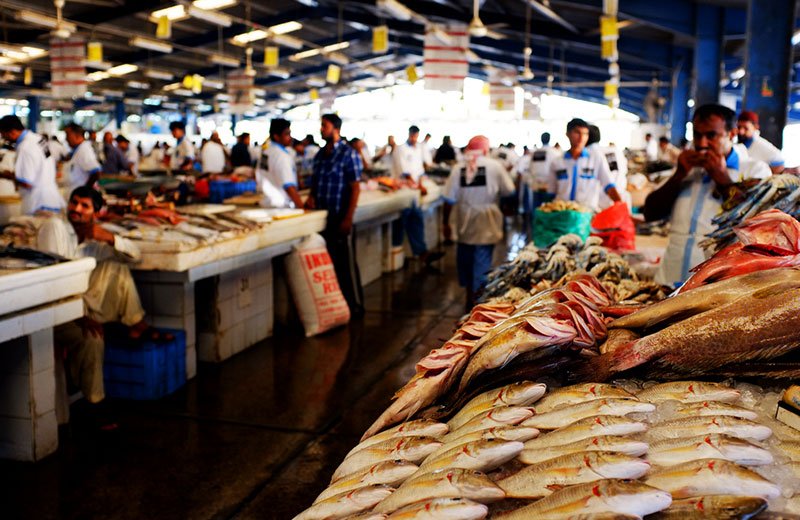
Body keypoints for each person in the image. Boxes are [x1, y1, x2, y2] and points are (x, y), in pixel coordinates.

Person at [37, 187, 168, 424]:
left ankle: (136, 322)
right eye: (74, 203)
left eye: (84, 206)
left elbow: (135, 256)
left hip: (81, 302)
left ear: (96, 213)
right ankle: (94, 403)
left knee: (118, 264)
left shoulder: (92, 238)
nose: (76, 209)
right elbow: (53, 281)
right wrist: (80, 317)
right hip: (53, 310)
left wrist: (108, 237)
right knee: (92, 339)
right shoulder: (56, 228)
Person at [643, 104, 772, 287]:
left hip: (717, 289)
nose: (702, 143)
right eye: (697, 135)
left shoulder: (755, 171)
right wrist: (678, 175)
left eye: (711, 135)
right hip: (668, 281)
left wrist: (723, 181)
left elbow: (758, 224)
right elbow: (650, 214)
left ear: (732, 134)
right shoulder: (687, 169)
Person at [444, 135, 515, 309]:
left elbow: (448, 199)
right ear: (486, 149)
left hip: (464, 220)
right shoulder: (495, 166)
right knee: (482, 261)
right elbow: (509, 191)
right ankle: (478, 302)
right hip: (487, 219)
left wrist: (445, 223)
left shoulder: (458, 168)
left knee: (465, 260)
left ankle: (470, 296)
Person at [305, 113, 364, 315]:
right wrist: (311, 197)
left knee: (346, 263)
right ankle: (339, 308)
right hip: (324, 216)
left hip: (341, 215)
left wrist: (348, 218)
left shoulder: (348, 154)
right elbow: (315, 181)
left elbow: (355, 188)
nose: (321, 129)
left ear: (335, 129)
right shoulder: (321, 155)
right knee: (331, 264)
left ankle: (355, 306)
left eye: (324, 126)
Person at [392, 125, 443, 265]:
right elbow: (405, 173)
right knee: (403, 219)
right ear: (409, 134)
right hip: (403, 190)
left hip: (414, 191)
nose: (415, 138)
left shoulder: (418, 149)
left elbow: (420, 171)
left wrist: (421, 184)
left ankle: (420, 252)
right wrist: (418, 186)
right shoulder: (400, 149)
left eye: (416, 136)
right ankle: (402, 253)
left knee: (416, 218)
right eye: (413, 136)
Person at [547, 118, 622, 212]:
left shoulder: (596, 158)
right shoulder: (557, 162)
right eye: (577, 132)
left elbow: (609, 186)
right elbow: (551, 192)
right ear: (568, 134)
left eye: (585, 134)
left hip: (587, 214)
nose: (582, 138)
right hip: (561, 214)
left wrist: (621, 207)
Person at [0, 115, 64, 214]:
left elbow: (27, 183)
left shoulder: (25, 147)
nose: (4, 138)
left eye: (3, 134)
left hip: (38, 204)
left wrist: (8, 175)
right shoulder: (38, 138)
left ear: (12, 132)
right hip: (51, 197)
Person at [258, 118, 302, 208]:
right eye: (287, 134)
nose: (290, 138)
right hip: (281, 206)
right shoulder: (281, 156)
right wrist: (301, 206)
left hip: (267, 202)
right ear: (276, 136)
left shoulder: (266, 151)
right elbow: (288, 186)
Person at [64, 122, 102, 193]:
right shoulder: (78, 149)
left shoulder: (84, 150)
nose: (66, 139)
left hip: (82, 197)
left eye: (67, 135)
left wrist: (84, 191)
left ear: (77, 135)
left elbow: (96, 172)